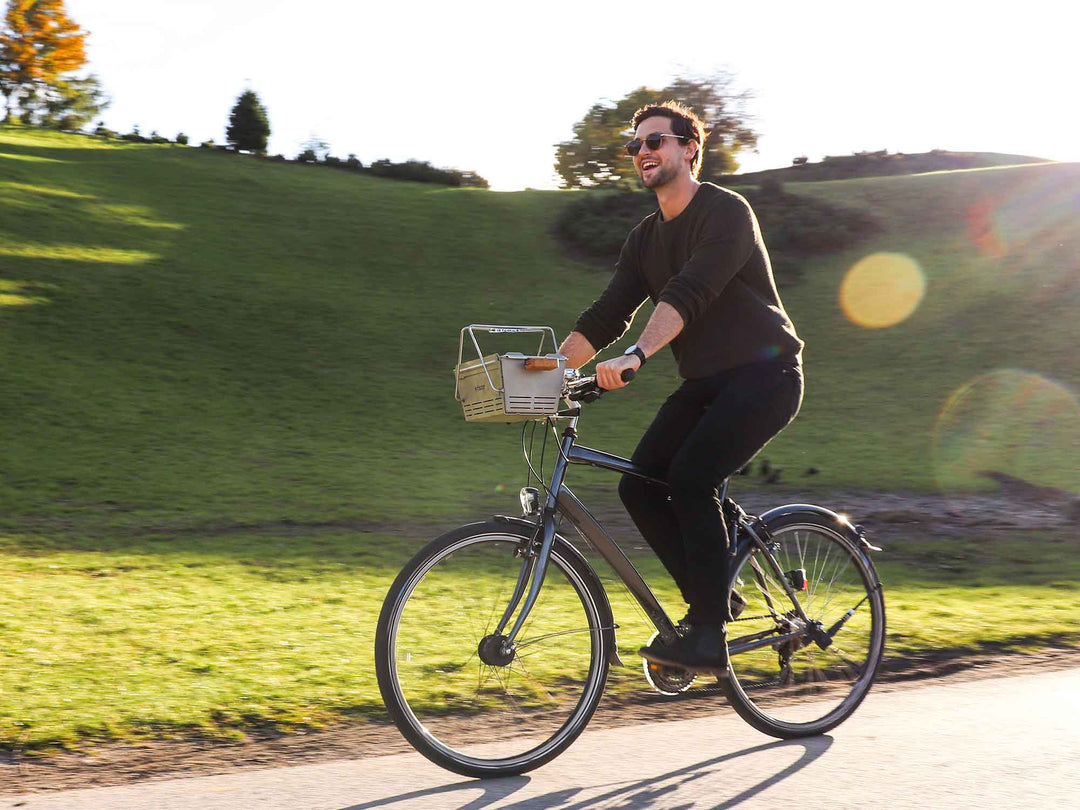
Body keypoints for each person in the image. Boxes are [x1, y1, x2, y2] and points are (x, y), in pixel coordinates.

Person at [557, 101, 804, 672]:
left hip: (765, 376)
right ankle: (715, 598)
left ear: (689, 148)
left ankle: (707, 635)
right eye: (634, 145)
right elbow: (605, 315)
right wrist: (542, 373)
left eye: (655, 141)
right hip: (707, 383)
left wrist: (639, 355)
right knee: (640, 485)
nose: (642, 152)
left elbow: (689, 293)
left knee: (691, 477)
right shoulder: (644, 239)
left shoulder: (727, 213)